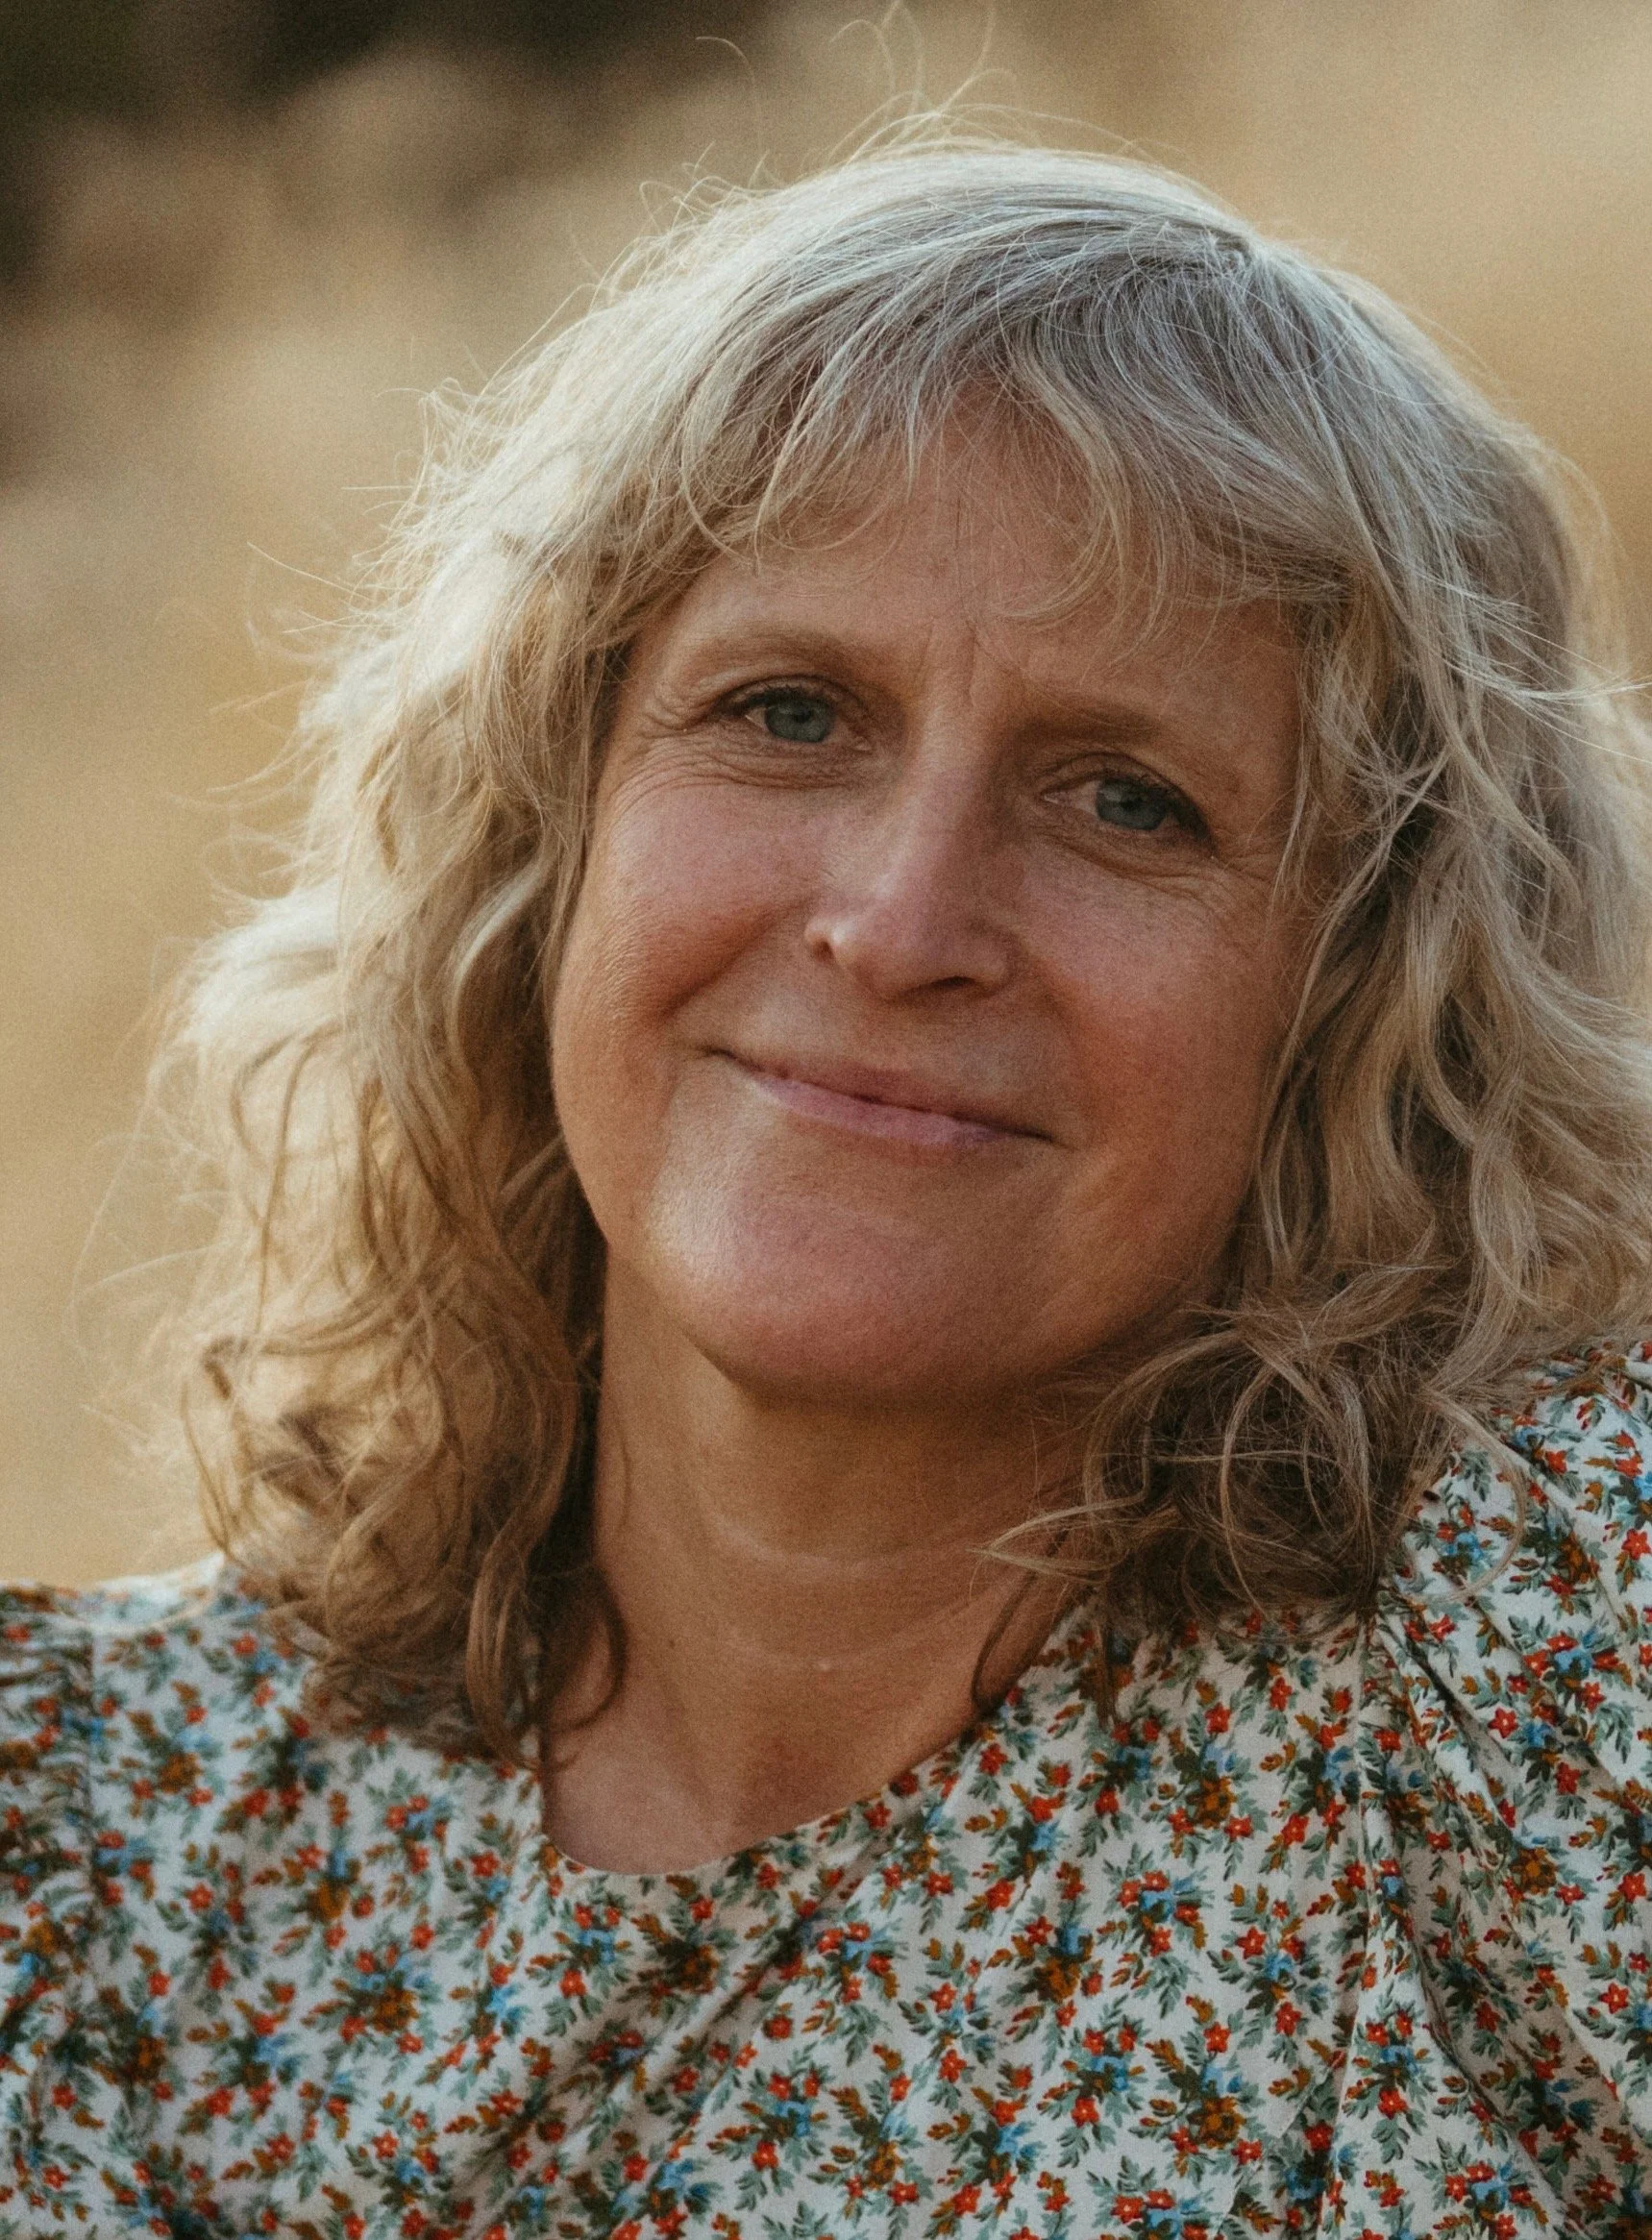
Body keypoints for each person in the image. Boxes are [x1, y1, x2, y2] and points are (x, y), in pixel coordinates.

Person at [4, 135, 1652, 2238]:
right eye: (789, 713)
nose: (898, 919)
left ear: (1361, 992)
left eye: (1125, 799)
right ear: (550, 825)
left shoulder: (1534, 1669)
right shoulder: (67, 1848)